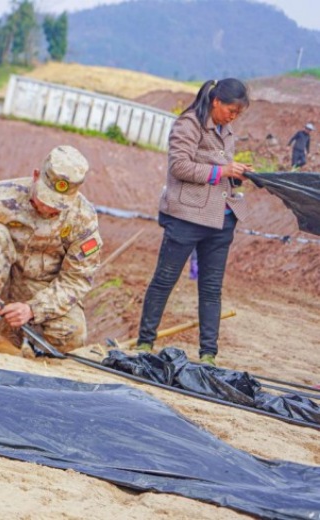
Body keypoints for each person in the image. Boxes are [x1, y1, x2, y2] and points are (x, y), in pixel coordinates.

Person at [0, 145, 102, 355]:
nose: (49, 209)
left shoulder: (83, 219)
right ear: (35, 176)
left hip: (39, 290)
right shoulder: (1, 197)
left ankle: (31, 343)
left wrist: (34, 309)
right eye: (46, 199)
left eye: (58, 205)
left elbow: (76, 280)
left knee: (72, 335)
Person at [135, 78, 253, 367]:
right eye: (231, 110)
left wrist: (235, 175)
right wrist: (222, 170)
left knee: (211, 288)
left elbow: (219, 173)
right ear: (216, 101)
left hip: (221, 220)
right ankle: (144, 342)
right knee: (165, 280)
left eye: (238, 113)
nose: (233, 116)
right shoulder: (188, 125)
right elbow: (179, 166)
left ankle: (208, 354)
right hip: (186, 217)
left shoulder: (228, 132)